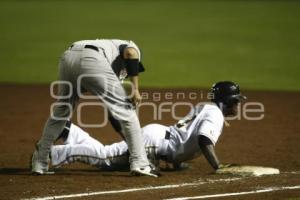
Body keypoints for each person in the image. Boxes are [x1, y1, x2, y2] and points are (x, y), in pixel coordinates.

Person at [49, 81, 246, 173]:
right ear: (227, 100)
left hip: (157, 138)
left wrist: (177, 163)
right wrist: (218, 166)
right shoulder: (215, 114)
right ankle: (54, 154)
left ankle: (69, 131)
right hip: (155, 142)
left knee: (110, 155)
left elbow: (185, 135)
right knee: (106, 159)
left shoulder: (207, 107)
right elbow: (203, 140)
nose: (238, 105)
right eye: (236, 100)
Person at [31, 39, 158, 177]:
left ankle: (40, 162)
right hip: (91, 59)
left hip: (67, 59)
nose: (128, 72)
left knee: (62, 111)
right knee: (128, 112)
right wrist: (135, 89)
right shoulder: (132, 48)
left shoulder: (111, 61)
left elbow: (113, 114)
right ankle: (141, 163)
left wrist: (130, 143)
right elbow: (130, 52)